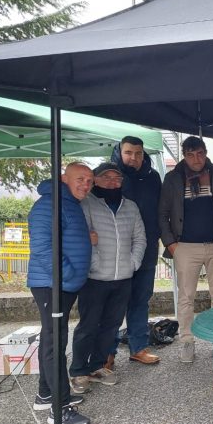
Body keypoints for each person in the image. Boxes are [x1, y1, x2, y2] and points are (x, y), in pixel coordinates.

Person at [70, 163, 146, 392]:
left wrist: (132, 264)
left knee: (112, 325)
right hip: (94, 278)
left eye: (117, 179)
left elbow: (140, 238)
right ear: (96, 181)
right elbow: (83, 236)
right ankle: (79, 370)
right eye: (106, 178)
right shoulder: (86, 204)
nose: (112, 182)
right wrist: (93, 264)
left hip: (123, 277)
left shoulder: (130, 207)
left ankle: (98, 365)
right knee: (89, 325)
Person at [159, 136, 213, 363]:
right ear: (184, 155)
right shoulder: (173, 178)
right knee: (186, 297)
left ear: (206, 152)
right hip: (185, 246)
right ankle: (186, 341)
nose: (196, 159)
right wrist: (171, 244)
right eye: (191, 155)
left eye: (200, 153)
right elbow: (162, 214)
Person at [27, 162, 92, 424]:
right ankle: (60, 407)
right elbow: (43, 248)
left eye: (89, 181)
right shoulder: (48, 205)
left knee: (51, 337)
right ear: (64, 178)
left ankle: (45, 394)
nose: (85, 185)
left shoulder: (68, 203)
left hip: (63, 284)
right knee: (55, 342)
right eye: (80, 179)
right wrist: (67, 275)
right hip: (52, 284)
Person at [107, 135, 162, 367]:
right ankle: (106, 353)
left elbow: (161, 209)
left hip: (147, 250)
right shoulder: (110, 177)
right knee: (114, 304)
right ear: (120, 152)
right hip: (117, 252)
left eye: (138, 153)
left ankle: (138, 347)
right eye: (129, 153)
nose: (133, 158)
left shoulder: (153, 178)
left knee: (141, 300)